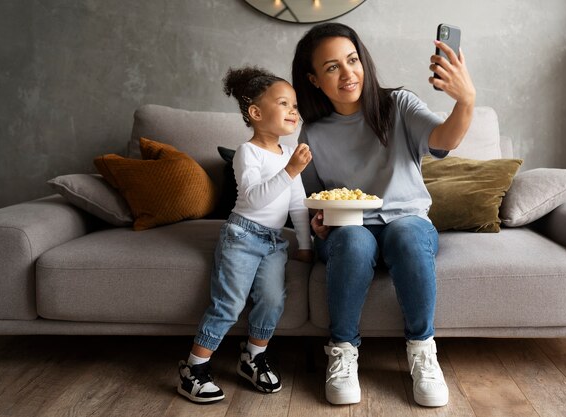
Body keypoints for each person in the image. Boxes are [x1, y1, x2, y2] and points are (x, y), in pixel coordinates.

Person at [292, 23, 475, 407]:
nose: (347, 74)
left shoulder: (399, 105)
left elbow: (444, 140)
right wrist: (316, 220)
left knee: (408, 235)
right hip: (347, 229)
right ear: (313, 79)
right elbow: (309, 195)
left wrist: (466, 100)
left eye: (352, 60)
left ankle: (423, 352)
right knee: (354, 240)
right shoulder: (313, 131)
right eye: (331, 68)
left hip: (406, 220)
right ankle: (342, 351)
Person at [177, 66, 314, 404]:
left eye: (295, 105)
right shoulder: (247, 152)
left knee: (272, 299)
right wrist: (291, 170)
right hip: (242, 235)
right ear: (256, 113)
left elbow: (297, 203)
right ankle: (194, 368)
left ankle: (253, 356)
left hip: (274, 242)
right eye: (284, 103)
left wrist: (306, 244)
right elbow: (254, 197)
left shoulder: (287, 153)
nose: (293, 111)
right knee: (229, 303)